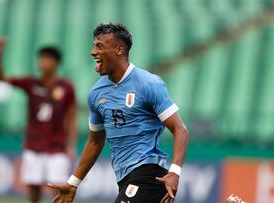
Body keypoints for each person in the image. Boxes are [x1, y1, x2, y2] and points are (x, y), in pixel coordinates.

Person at [48, 23, 189, 203]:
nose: (92, 52)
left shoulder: (148, 84)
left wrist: (174, 172)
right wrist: (73, 182)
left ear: (119, 49)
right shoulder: (96, 94)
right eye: (93, 46)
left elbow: (180, 129)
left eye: (99, 46)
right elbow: (95, 141)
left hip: (149, 174)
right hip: (124, 178)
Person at [0, 37, 77, 203]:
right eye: (41, 58)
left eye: (47, 59)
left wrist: (71, 144)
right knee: (33, 188)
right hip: (34, 145)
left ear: (56, 63)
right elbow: (0, 78)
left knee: (59, 188)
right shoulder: (31, 83)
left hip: (57, 147)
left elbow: (71, 117)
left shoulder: (66, 87)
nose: (42, 62)